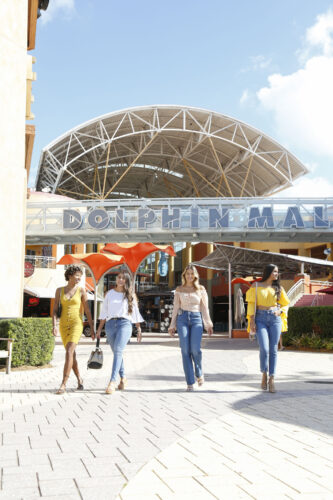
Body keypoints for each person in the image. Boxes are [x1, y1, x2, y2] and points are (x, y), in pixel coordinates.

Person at [95, 271, 144, 394]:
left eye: (123, 278)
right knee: (117, 352)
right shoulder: (109, 294)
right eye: (119, 277)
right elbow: (104, 312)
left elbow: (135, 312)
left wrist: (138, 329)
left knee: (118, 350)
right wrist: (99, 329)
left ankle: (112, 382)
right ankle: (123, 378)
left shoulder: (130, 295)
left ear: (127, 281)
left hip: (125, 324)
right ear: (116, 279)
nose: (121, 280)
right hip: (110, 325)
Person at [168, 264, 213, 391]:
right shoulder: (179, 289)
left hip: (196, 319)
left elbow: (205, 308)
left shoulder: (201, 289)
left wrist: (208, 324)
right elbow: (176, 307)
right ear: (184, 275)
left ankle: (199, 372)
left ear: (195, 276)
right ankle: (190, 382)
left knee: (195, 350)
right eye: (187, 273)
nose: (189, 276)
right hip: (182, 319)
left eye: (192, 274)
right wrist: (172, 325)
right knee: (185, 350)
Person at [246, 264, 290, 393]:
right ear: (268, 272)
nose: (276, 274)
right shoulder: (256, 286)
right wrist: (252, 320)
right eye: (274, 271)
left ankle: (272, 378)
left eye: (277, 272)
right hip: (260, 318)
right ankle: (264, 373)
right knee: (264, 349)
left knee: (273, 350)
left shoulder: (279, 288)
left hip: (275, 318)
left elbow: (286, 303)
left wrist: (280, 311)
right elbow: (251, 303)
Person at [53, 265, 94, 394]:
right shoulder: (59, 291)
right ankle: (79, 379)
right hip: (63, 325)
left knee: (69, 351)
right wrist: (54, 325)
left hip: (77, 323)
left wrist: (92, 328)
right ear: (70, 276)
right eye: (77, 275)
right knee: (72, 355)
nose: (79, 278)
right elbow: (54, 310)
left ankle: (63, 384)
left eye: (80, 276)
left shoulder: (82, 290)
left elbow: (87, 310)